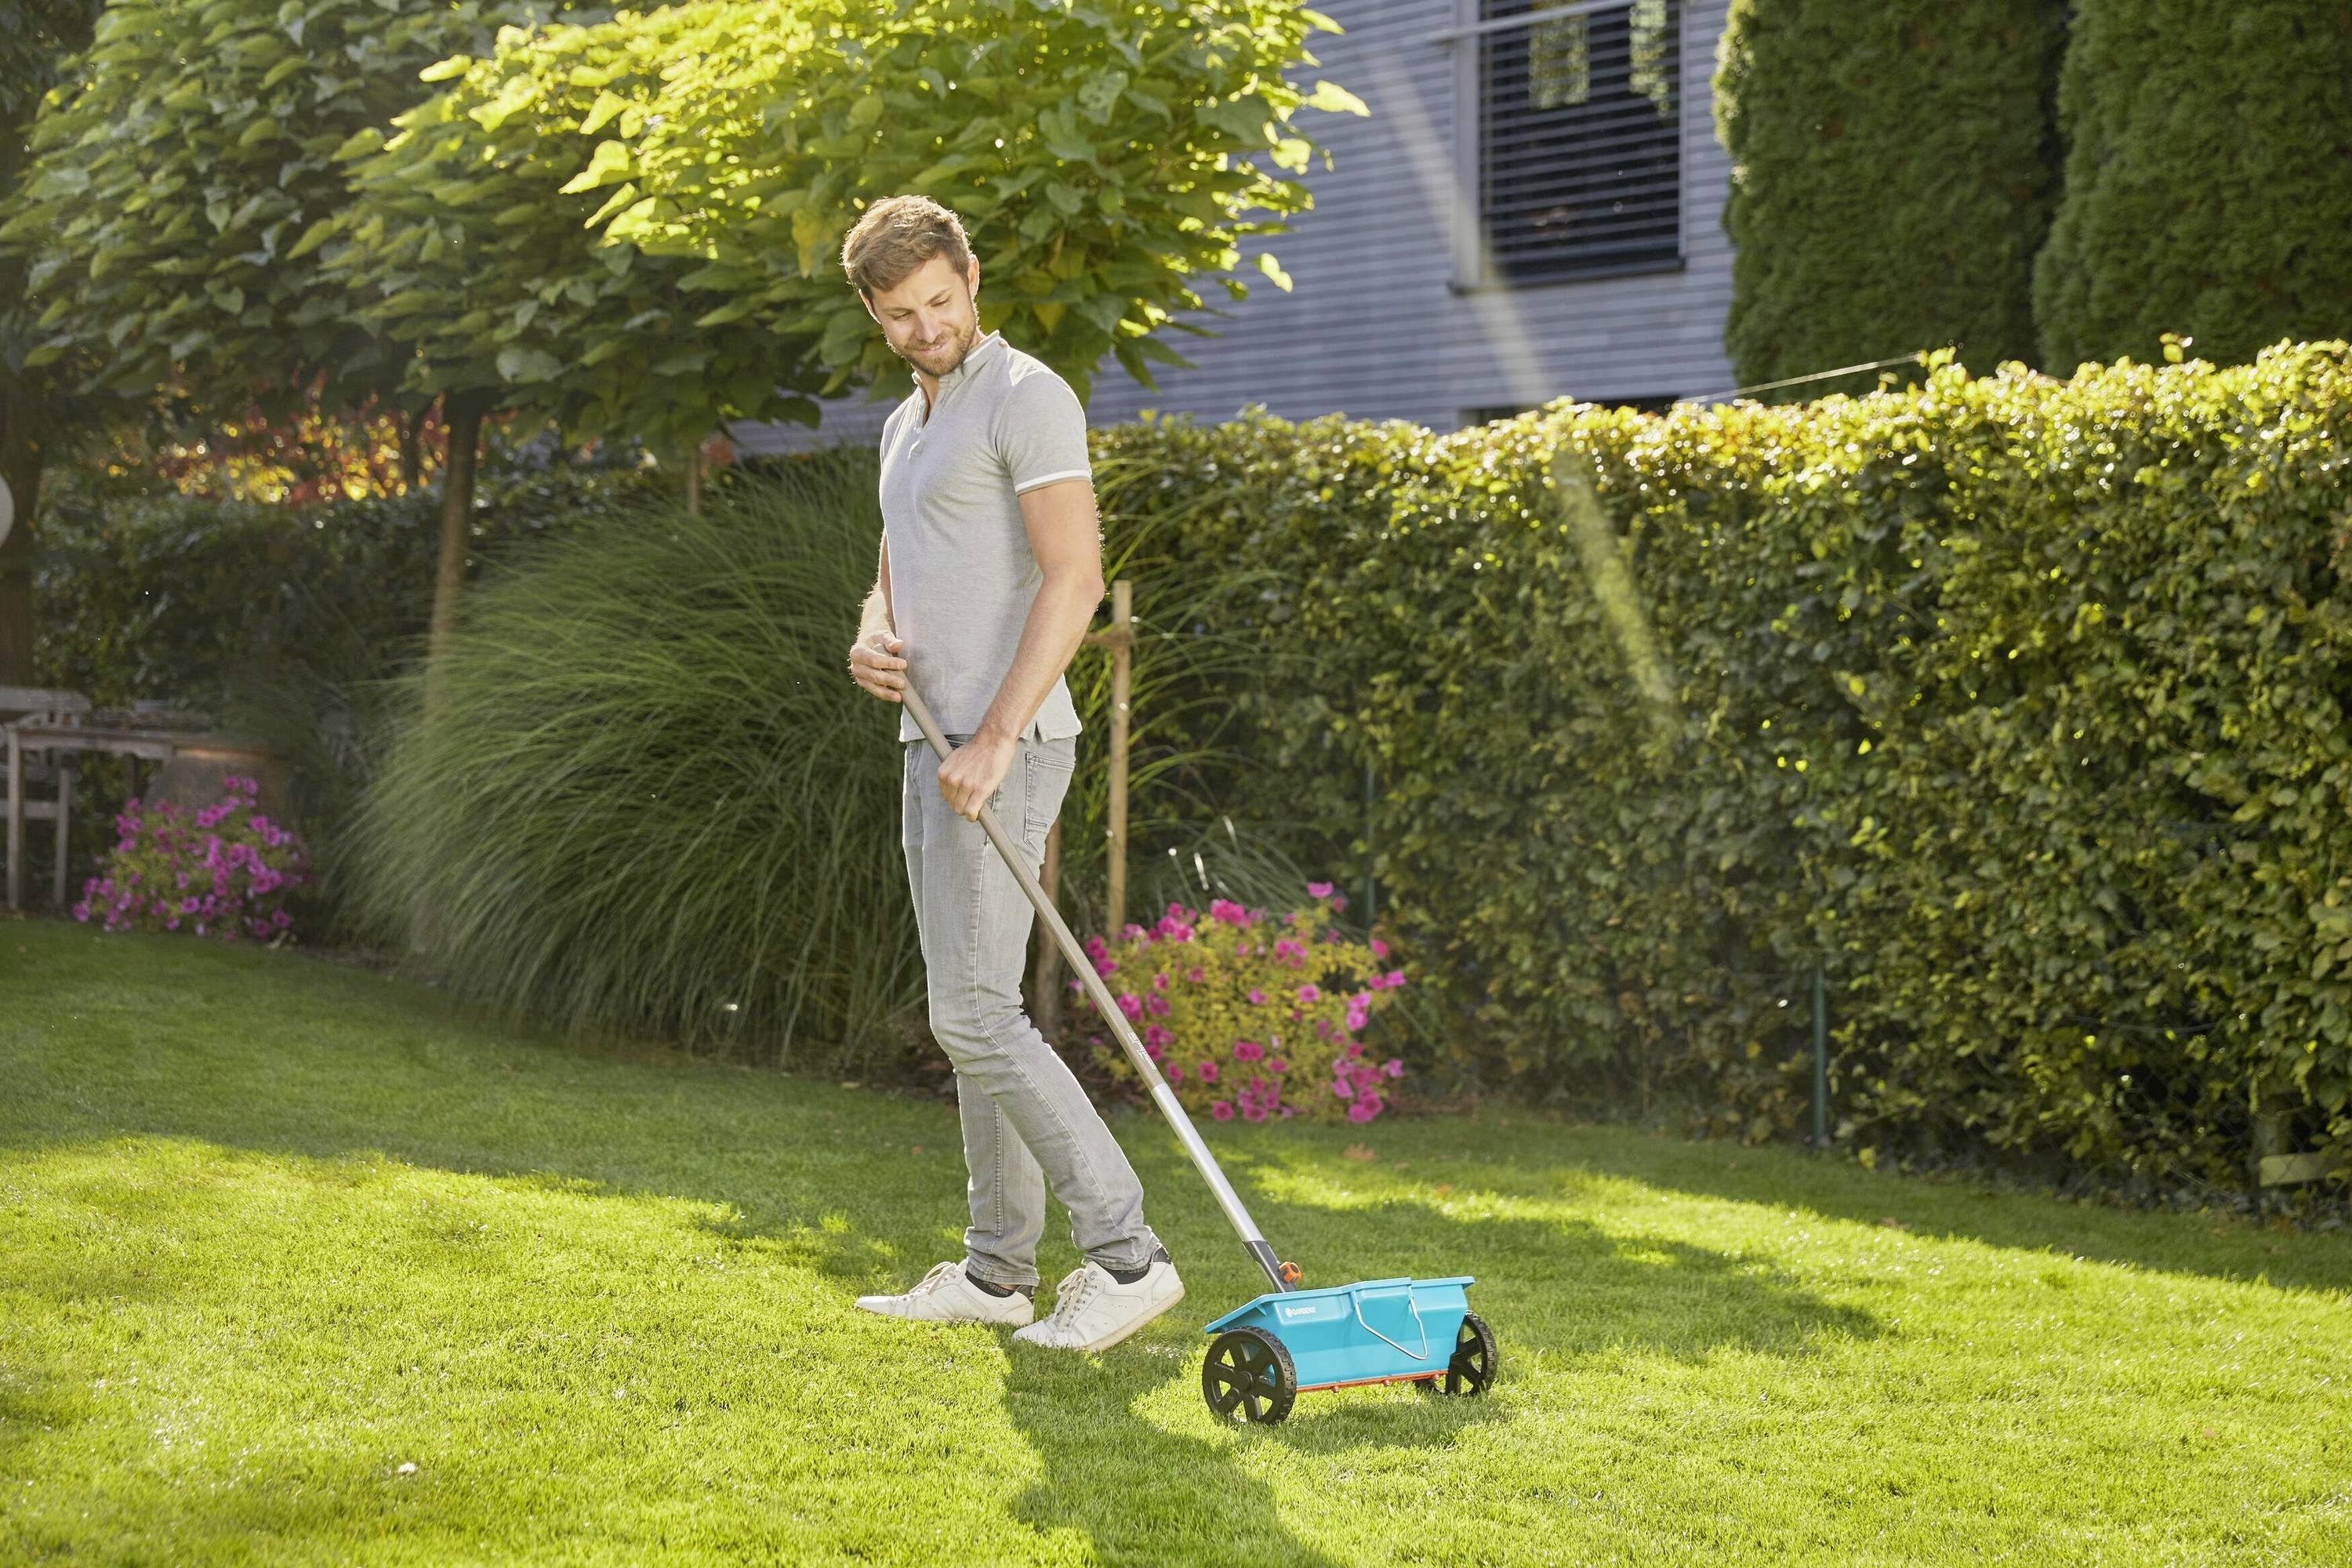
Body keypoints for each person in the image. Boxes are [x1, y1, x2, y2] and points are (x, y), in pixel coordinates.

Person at [840, 195, 1182, 1352]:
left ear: (972, 279)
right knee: (973, 1016)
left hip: (1008, 748)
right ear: (876, 315)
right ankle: (996, 1272)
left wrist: (993, 736)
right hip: (929, 746)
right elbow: (893, 566)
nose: (924, 328)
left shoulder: (1029, 395)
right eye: (899, 315)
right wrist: (873, 630)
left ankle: (1127, 1257)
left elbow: (1074, 578)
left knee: (976, 1012)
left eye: (939, 302)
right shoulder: (906, 424)